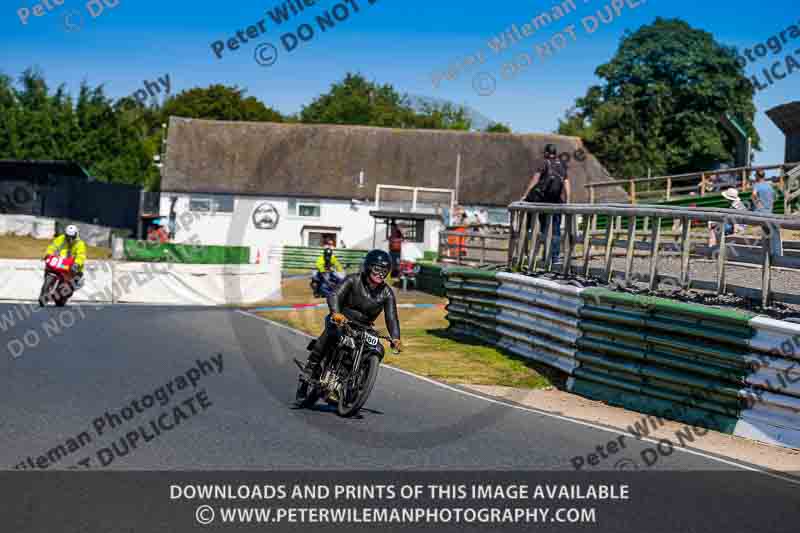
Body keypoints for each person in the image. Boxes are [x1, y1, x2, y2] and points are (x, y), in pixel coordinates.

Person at [299, 249, 402, 393]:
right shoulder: (353, 279)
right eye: (377, 269)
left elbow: (391, 316)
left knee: (378, 349)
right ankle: (311, 367)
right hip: (341, 319)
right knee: (333, 331)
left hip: (364, 327)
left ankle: (357, 381)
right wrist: (336, 313)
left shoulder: (387, 293)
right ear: (368, 267)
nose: (380, 274)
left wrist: (396, 338)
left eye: (384, 271)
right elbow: (334, 295)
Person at [521, 143, 571, 263]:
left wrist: (525, 195)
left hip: (544, 202)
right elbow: (566, 183)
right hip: (557, 202)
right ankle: (554, 257)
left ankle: (540, 255)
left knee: (544, 228)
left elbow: (535, 180)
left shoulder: (544, 163)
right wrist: (568, 200)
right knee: (556, 229)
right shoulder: (562, 166)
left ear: (547, 153)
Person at [44, 224, 86, 291]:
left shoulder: (80, 244)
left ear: (76, 235)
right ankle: (48, 283)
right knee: (49, 266)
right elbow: (52, 246)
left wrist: (77, 263)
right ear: (65, 235)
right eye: (68, 237)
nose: (70, 239)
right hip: (61, 262)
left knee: (72, 281)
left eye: (72, 237)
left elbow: (81, 255)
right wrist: (48, 254)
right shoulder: (61, 238)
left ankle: (70, 287)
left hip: (73, 266)